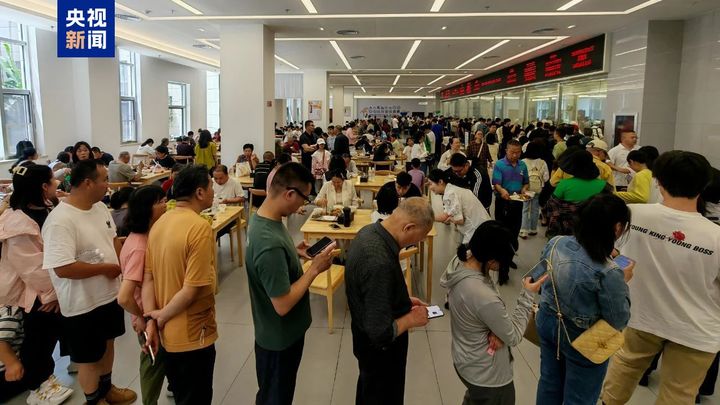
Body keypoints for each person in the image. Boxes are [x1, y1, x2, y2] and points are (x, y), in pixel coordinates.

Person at [601, 151, 720, 405]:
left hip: (641, 315)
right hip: (697, 328)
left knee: (624, 368)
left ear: (658, 181)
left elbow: (609, 253)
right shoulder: (715, 236)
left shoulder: (631, 214)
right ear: (704, 185)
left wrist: (627, 263)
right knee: (679, 393)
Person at [42, 160, 137, 405]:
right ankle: (94, 400)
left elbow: (112, 240)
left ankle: (107, 389)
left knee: (108, 345)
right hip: (82, 303)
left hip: (109, 294)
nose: (108, 184)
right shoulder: (60, 220)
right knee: (88, 358)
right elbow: (62, 268)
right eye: (104, 179)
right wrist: (106, 269)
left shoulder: (100, 207)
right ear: (87, 183)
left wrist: (124, 269)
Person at [245, 162, 336, 405]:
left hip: (274, 332)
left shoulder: (264, 219)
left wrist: (293, 252)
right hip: (280, 339)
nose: (302, 205)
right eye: (304, 198)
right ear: (289, 194)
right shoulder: (269, 243)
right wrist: (314, 269)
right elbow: (283, 304)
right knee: (276, 397)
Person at [532, 194, 632, 405]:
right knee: (580, 396)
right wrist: (623, 280)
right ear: (617, 228)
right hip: (585, 335)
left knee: (549, 382)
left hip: (548, 320)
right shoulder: (610, 271)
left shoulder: (556, 242)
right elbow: (617, 319)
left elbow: (539, 276)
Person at [441, 221, 547, 405]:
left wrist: (496, 328)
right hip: (488, 375)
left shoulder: (460, 262)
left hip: (464, 358)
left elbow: (477, 312)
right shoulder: (483, 295)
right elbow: (513, 336)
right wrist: (527, 294)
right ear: (491, 260)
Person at [345, 198, 434, 405]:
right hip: (381, 356)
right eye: (420, 237)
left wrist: (400, 298)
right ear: (408, 227)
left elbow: (370, 292)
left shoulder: (369, 232)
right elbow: (380, 332)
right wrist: (412, 319)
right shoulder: (378, 261)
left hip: (363, 339)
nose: (419, 242)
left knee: (367, 390)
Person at [142, 165, 219, 405]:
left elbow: (148, 279)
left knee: (181, 393)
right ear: (199, 192)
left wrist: (151, 320)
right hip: (193, 333)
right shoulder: (199, 227)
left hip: (166, 333)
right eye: (211, 185)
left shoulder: (160, 223)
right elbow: (192, 289)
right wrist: (161, 316)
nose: (213, 190)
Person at [0, 163, 74, 404]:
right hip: (33, 292)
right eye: (53, 180)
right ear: (43, 186)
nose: (57, 183)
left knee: (51, 334)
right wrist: (53, 294)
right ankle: (37, 386)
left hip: (55, 285)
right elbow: (31, 268)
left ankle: (47, 376)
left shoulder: (48, 208)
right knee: (39, 338)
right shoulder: (17, 223)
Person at [116, 185, 169, 405]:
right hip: (147, 314)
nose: (165, 205)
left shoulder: (144, 236)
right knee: (152, 361)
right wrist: (142, 317)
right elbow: (124, 297)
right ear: (146, 210)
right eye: (160, 202)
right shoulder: (139, 246)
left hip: (151, 311)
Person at [491, 140, 528, 281]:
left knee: (514, 232)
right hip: (503, 203)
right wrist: (502, 191)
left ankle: (508, 258)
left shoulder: (522, 165)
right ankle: (501, 265)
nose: (515, 155)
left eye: (518, 152)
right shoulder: (500, 165)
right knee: (502, 233)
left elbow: (526, 182)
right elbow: (496, 184)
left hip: (517, 203)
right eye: (512, 152)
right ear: (506, 150)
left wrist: (524, 190)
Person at [428, 169, 491, 244]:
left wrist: (428, 218)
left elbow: (459, 220)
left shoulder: (450, 194)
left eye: (430, 184)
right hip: (483, 226)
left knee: (467, 250)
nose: (430, 187)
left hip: (477, 230)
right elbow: (446, 215)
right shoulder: (451, 189)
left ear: (440, 182)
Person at [520, 142, 550, 238]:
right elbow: (546, 178)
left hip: (525, 188)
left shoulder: (522, 162)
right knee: (535, 208)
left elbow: (519, 175)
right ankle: (533, 229)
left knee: (525, 208)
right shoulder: (542, 162)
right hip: (537, 188)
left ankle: (523, 230)